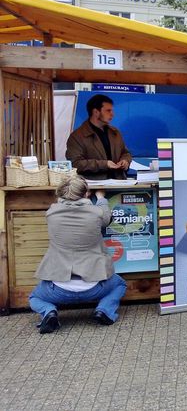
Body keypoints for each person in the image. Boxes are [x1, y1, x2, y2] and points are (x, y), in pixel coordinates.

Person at [28, 175, 128, 334]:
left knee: (34, 297)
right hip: (95, 286)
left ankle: (49, 312)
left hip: (57, 289)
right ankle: (104, 310)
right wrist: (101, 197)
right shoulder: (96, 213)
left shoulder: (51, 214)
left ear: (61, 193)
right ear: (86, 193)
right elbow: (106, 217)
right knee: (120, 284)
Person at [66, 94, 132, 180]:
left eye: (112, 110)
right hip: (93, 187)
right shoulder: (77, 137)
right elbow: (75, 163)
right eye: (108, 111)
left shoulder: (115, 133)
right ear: (96, 112)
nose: (112, 114)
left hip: (118, 182)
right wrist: (104, 164)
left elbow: (126, 153)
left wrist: (125, 161)